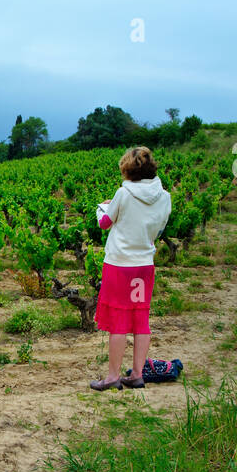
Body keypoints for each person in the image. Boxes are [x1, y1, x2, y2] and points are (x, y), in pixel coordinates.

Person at [89, 147, 172, 391]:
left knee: (118, 322)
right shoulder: (164, 196)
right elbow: (159, 230)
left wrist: (102, 208)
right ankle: (137, 374)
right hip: (144, 266)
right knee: (140, 319)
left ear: (127, 169)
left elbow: (104, 223)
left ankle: (113, 377)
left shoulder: (123, 194)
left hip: (119, 265)